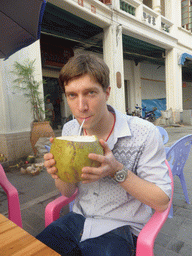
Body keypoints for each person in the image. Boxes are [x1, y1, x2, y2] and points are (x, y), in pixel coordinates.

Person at [37, 53, 171, 256]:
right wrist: (58, 172)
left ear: (107, 92)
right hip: (78, 219)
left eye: (90, 93)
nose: (81, 106)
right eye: (72, 95)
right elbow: (66, 192)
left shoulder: (144, 133)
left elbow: (161, 201)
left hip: (122, 227)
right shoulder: (70, 130)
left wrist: (116, 170)